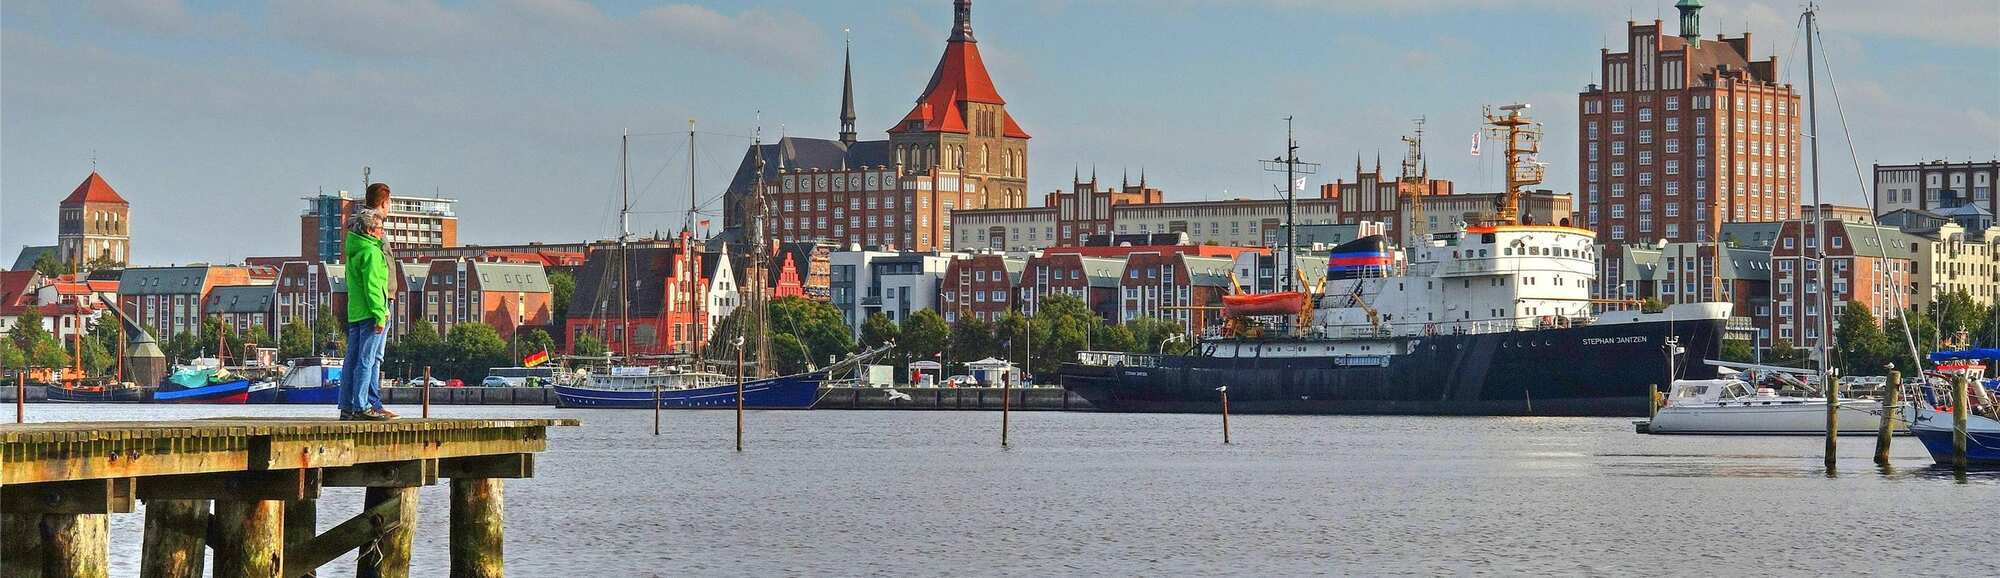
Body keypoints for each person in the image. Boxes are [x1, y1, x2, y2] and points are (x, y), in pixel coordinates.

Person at [340, 183, 397, 420]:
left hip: (355, 310)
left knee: (354, 359)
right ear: (372, 230)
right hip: (372, 311)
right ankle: (364, 405)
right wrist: (380, 313)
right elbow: (373, 284)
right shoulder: (372, 250)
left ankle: (348, 406)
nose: (382, 232)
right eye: (380, 229)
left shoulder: (354, 246)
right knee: (368, 359)